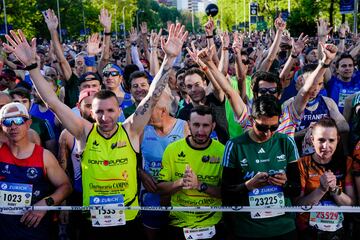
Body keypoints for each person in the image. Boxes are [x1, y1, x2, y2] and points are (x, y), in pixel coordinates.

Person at [3, 25, 188, 239]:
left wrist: (169, 59)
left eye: (110, 111)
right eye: (99, 111)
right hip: (93, 224)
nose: (105, 117)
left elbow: (152, 96)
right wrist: (31, 66)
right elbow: (52, 101)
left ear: (119, 110)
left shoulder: (130, 130)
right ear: (91, 112)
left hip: (127, 222)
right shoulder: (84, 132)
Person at [221, 95, 299, 239]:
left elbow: (296, 189)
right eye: (262, 127)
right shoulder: (234, 146)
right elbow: (225, 193)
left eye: (274, 127)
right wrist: (248, 185)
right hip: (247, 229)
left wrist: (285, 184)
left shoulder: (286, 142)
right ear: (251, 120)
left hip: (283, 227)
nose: (268, 133)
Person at [0, 102, 72, 240]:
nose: (13, 126)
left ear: (28, 123)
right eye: (7, 122)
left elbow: (66, 186)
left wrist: (46, 203)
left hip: (35, 230)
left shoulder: (44, 156)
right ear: (2, 126)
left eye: (19, 120)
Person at [157, 105, 225, 240]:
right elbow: (160, 189)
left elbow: (227, 193)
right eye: (196, 125)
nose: (200, 131)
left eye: (205, 125)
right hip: (179, 224)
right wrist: (181, 182)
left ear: (213, 126)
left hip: (213, 224)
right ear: (188, 125)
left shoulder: (222, 151)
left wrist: (199, 185)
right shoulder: (172, 150)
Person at [139, 90, 189, 240]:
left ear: (162, 111)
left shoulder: (185, 127)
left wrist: (173, 187)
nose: (144, 112)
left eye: (148, 109)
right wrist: (140, 172)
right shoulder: (142, 129)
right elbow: (131, 158)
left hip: (178, 196)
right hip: (151, 196)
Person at [293, 117, 355, 239]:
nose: (326, 146)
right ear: (312, 140)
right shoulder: (301, 164)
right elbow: (297, 206)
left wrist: (334, 189)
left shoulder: (346, 162)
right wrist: (321, 189)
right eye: (321, 140)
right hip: (308, 230)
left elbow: (351, 205)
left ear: (337, 140)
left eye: (331, 140)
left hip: (338, 230)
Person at [58, 87, 99, 240]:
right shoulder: (67, 135)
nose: (92, 111)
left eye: (95, 106)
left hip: (105, 194)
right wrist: (63, 205)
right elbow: (62, 172)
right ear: (78, 106)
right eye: (88, 106)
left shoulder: (111, 131)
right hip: (78, 195)